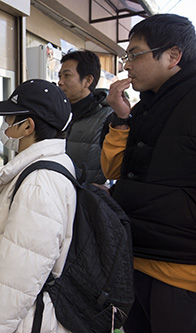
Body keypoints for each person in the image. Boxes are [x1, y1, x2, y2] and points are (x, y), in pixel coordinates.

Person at [101, 14, 196, 332]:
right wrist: (122, 118)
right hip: (137, 257)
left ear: (172, 56)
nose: (126, 65)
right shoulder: (145, 106)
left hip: (182, 272)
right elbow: (113, 169)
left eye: (134, 54)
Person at [0, 79, 76, 332]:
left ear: (28, 126)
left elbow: (15, 279)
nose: (5, 127)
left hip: (27, 321)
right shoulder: (54, 164)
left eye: (9, 119)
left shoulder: (39, 183)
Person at [58, 50, 113, 184]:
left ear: (87, 80)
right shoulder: (58, 112)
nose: (60, 82)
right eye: (59, 76)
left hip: (87, 198)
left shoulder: (108, 116)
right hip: (56, 192)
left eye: (67, 76)